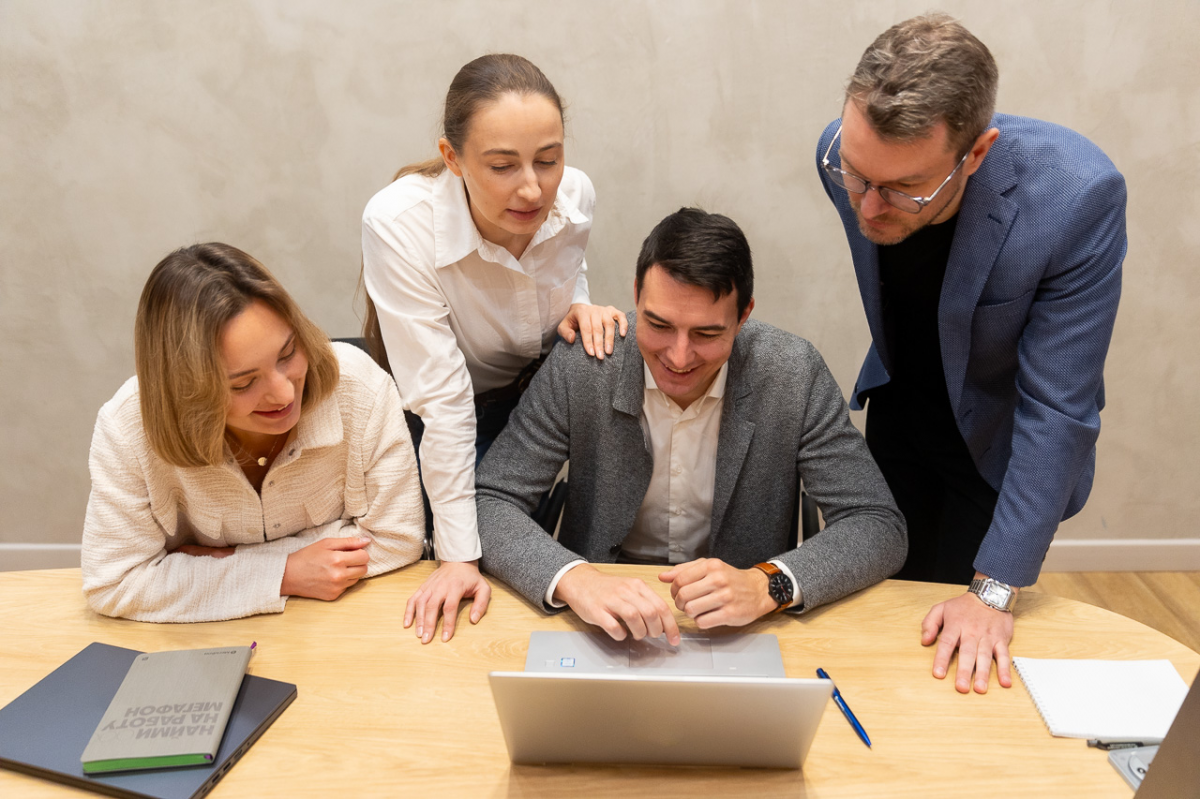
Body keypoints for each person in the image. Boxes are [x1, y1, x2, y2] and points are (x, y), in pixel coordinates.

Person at [815, 14, 1125, 693]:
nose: (869, 208)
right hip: (900, 407)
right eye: (858, 177)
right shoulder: (838, 153)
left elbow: (1059, 407)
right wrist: (876, 183)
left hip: (998, 442)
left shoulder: (1076, 197)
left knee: (959, 656)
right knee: (875, 626)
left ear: (977, 153)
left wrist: (993, 590)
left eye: (904, 189)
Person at [475, 208, 906, 641]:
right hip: (600, 616)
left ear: (743, 316)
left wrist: (767, 584)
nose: (678, 357)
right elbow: (489, 500)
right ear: (636, 295)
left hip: (743, 622)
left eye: (706, 334)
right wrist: (574, 578)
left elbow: (876, 524)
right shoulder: (585, 365)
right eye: (659, 324)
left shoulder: (793, 374)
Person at [361, 54, 626, 643]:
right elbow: (444, 402)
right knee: (460, 582)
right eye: (503, 166)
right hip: (449, 415)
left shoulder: (575, 194)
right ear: (452, 157)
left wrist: (578, 303)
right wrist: (457, 555)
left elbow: (565, 267)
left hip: (539, 397)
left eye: (548, 160)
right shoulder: (398, 222)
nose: (533, 188)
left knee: (539, 571)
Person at [82, 243, 425, 623]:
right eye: (243, 383)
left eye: (287, 354)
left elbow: (398, 539)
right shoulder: (127, 428)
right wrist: (285, 572)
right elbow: (114, 582)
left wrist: (222, 565)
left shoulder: (360, 388)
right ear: (186, 392)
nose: (284, 394)